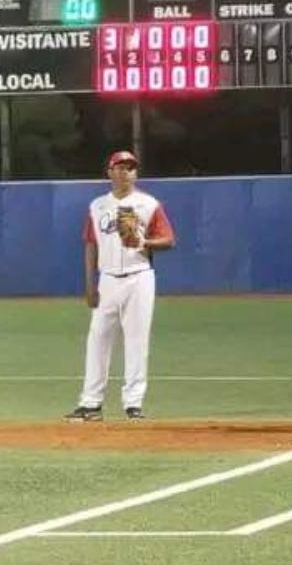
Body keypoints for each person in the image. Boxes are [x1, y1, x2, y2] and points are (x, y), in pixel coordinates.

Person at [65, 150, 175, 422]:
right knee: (98, 339)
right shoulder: (97, 206)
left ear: (135, 174)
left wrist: (145, 243)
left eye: (130, 168)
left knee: (137, 340)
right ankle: (91, 404)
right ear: (110, 172)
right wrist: (90, 285)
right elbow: (90, 245)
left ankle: (133, 404)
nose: (125, 172)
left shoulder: (148, 204)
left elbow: (169, 239)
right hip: (108, 278)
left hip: (139, 277)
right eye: (120, 167)